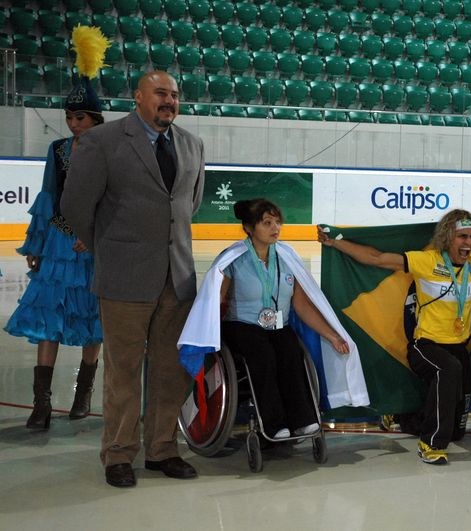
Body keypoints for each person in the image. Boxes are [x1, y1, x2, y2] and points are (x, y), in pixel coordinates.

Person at [61, 70, 205, 488]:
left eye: (175, 94)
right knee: (123, 370)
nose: (169, 100)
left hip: (176, 276)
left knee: (170, 369)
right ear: (138, 96)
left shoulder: (193, 145)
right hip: (124, 277)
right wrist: (108, 247)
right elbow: (75, 206)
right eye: (160, 93)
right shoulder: (102, 142)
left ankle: (162, 448)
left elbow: (187, 204)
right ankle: (119, 453)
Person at [318, 209, 471, 465]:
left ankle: (401, 419)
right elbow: (377, 258)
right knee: (448, 370)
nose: (468, 243)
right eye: (462, 237)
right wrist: (335, 241)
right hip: (425, 345)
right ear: (447, 237)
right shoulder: (427, 261)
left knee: (457, 429)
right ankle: (430, 445)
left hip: (458, 346)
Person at [4, 26, 110, 430]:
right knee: (48, 317)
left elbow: (112, 200)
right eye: (68, 116)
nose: (72, 123)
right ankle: (42, 403)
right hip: (59, 247)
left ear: (95, 118)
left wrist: (95, 236)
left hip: (92, 249)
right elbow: (47, 196)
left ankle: (83, 394)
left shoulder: (109, 148)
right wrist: (38, 242)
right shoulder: (57, 150)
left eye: (79, 116)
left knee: (91, 321)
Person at [217, 199, 352, 439]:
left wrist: (331, 335)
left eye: (277, 222)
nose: (275, 228)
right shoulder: (233, 259)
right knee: (263, 354)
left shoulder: (288, 258)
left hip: (278, 325)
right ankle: (273, 423)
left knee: (291, 351)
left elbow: (301, 305)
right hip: (242, 326)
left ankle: (303, 420)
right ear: (249, 228)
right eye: (267, 223)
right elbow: (216, 301)